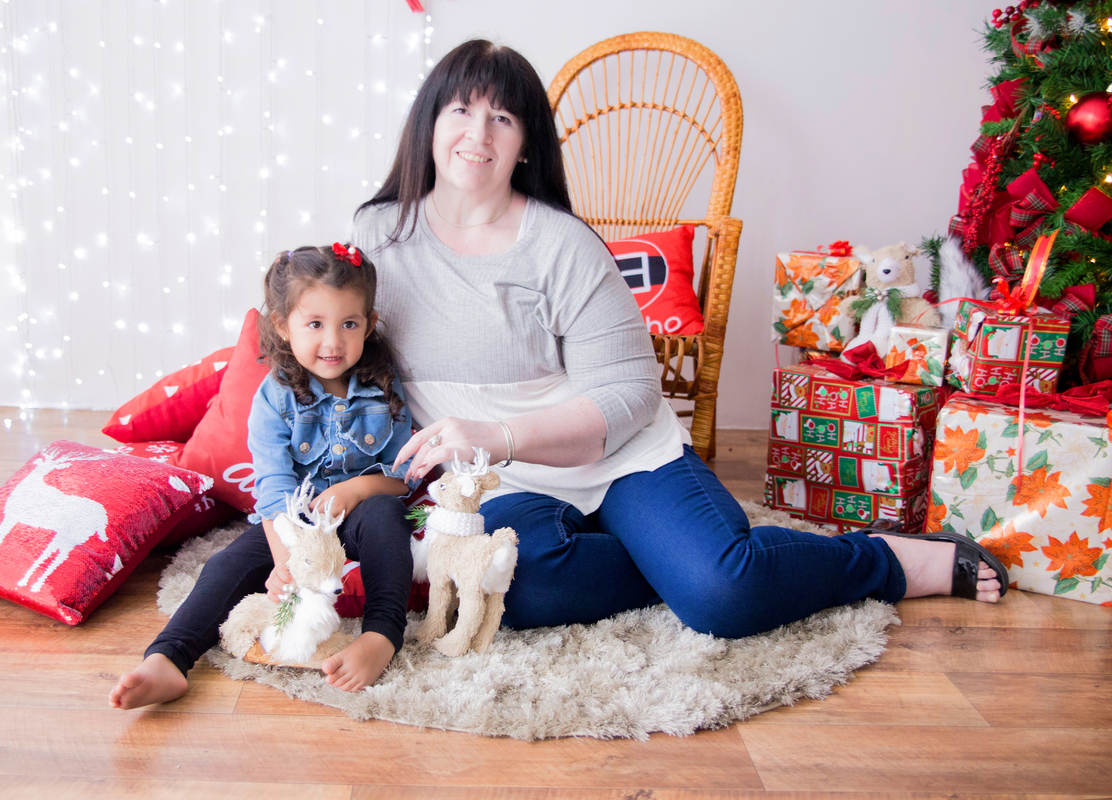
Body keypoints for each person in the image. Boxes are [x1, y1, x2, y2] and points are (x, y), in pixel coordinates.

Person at [350, 39, 1008, 639]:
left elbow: (632, 392)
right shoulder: (378, 235)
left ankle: (884, 559)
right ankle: (680, 562)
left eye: (502, 118)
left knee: (725, 596)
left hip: (616, 457)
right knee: (516, 586)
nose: (477, 134)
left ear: (525, 143)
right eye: (461, 110)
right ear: (429, 123)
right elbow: (330, 342)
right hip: (497, 480)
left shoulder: (561, 244)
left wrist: (500, 435)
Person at [110, 244, 416, 708]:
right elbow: (272, 490)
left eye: (348, 324)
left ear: (369, 325)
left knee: (386, 520)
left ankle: (381, 634)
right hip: (291, 523)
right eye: (315, 324)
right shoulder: (274, 398)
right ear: (281, 325)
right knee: (224, 566)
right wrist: (286, 562)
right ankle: (169, 659)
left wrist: (358, 488)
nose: (333, 342)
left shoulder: (383, 384)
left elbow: (402, 475)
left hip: (361, 516)